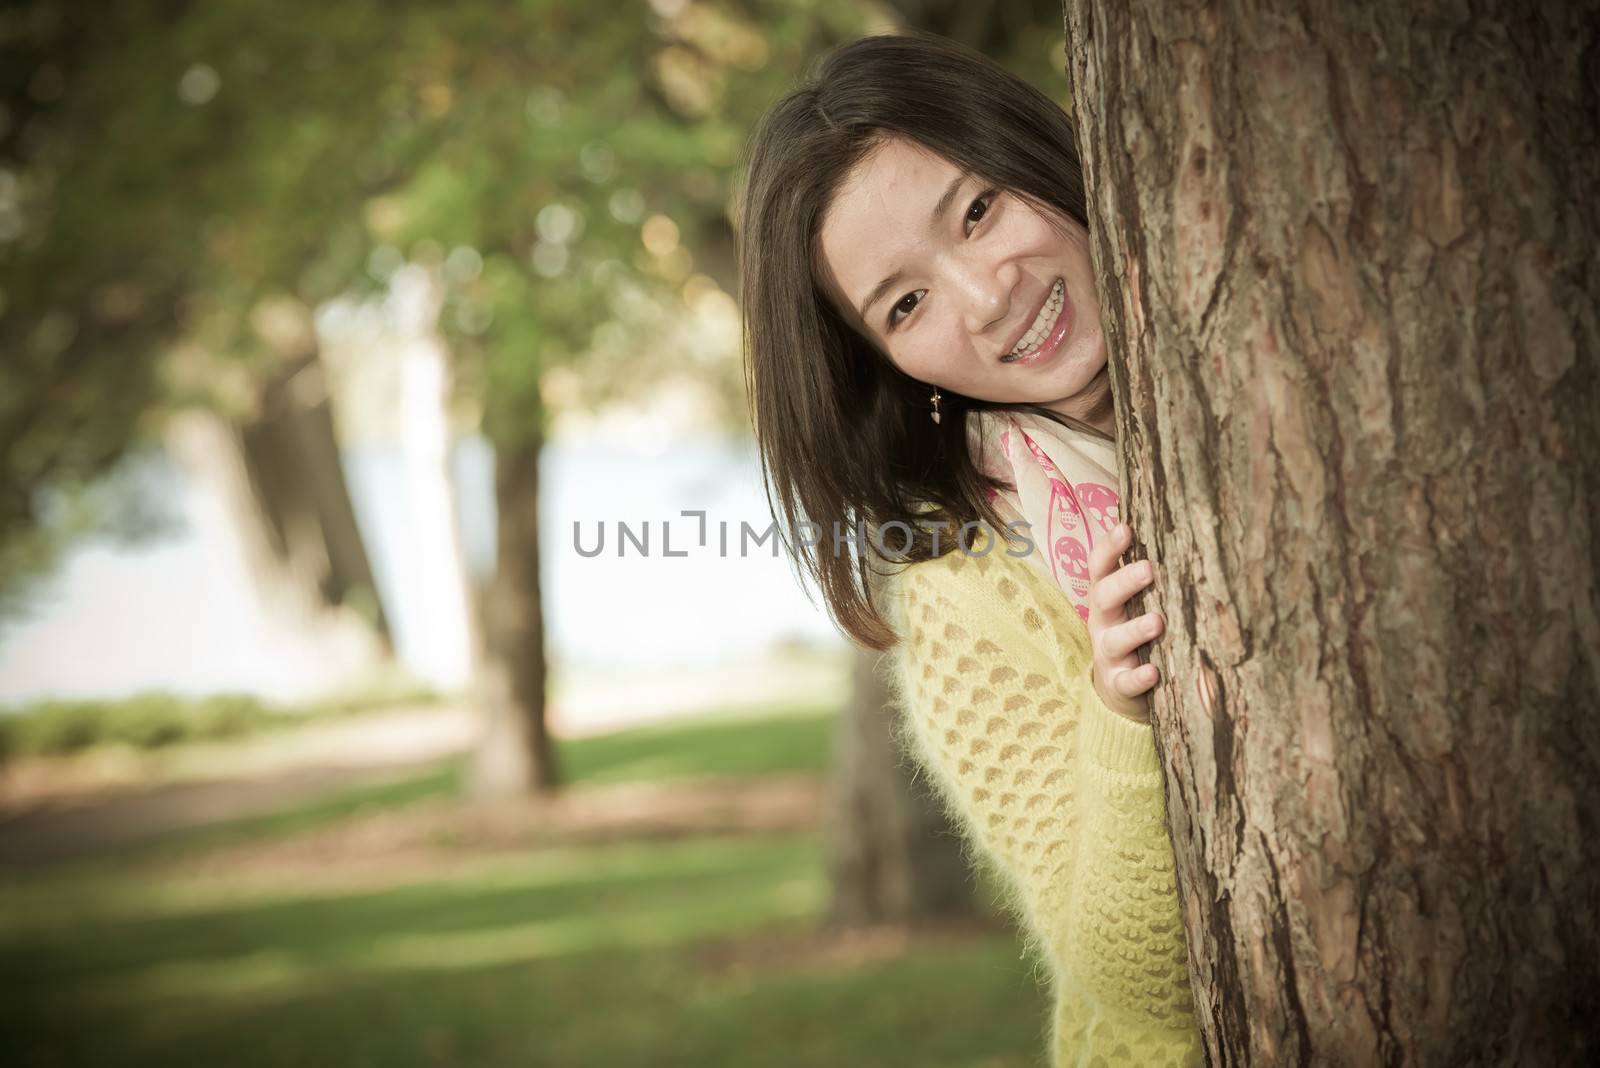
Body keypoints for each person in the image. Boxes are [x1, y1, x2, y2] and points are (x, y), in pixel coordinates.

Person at [737, 32, 1204, 1067]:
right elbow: (1140, 988)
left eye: (978, 210)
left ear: (1037, 152)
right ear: (892, 366)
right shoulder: (962, 599)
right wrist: (1121, 714)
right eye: (906, 303)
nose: (987, 297)